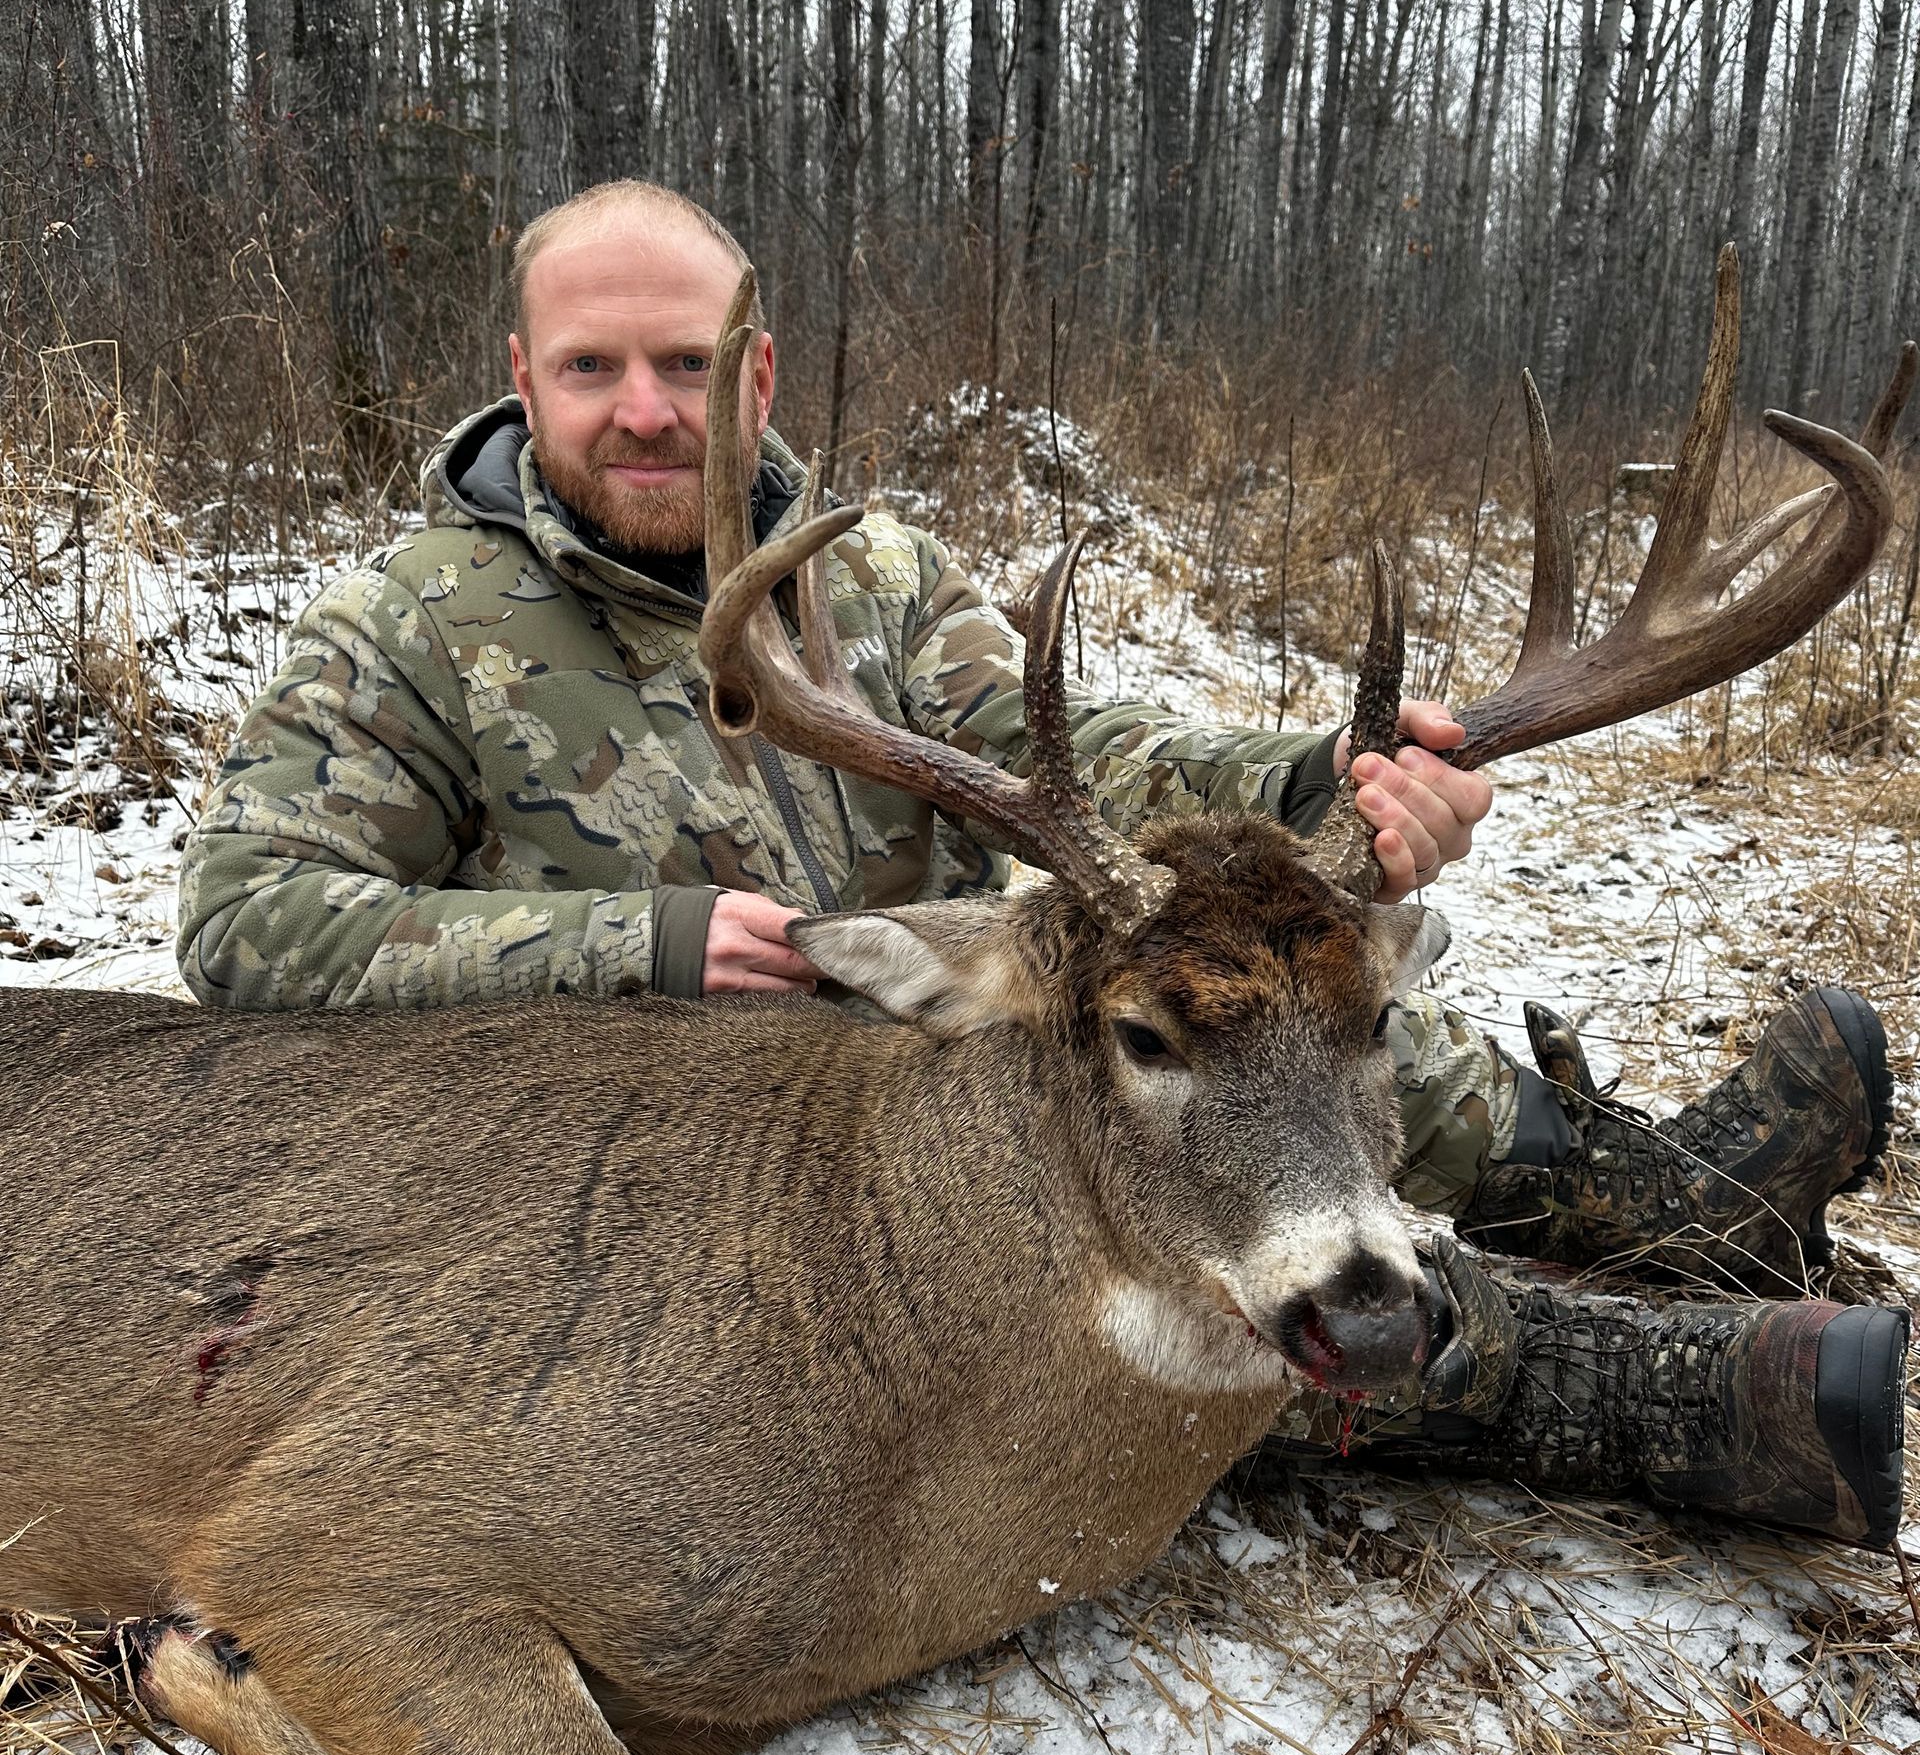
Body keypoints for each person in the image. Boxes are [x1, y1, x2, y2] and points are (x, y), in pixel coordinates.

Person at [177, 180, 1906, 1549]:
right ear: (521, 372)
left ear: (757, 373)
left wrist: (1339, 776)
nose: (646, 411)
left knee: (1252, 967)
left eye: (689, 366)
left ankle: (1651, 1197)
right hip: (672, 1186)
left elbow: (1091, 762)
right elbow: (246, 927)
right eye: (594, 368)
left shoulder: (878, 583)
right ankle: (1638, 1391)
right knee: (1144, 1267)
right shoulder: (400, 631)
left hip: (946, 1060)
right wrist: (646, 940)